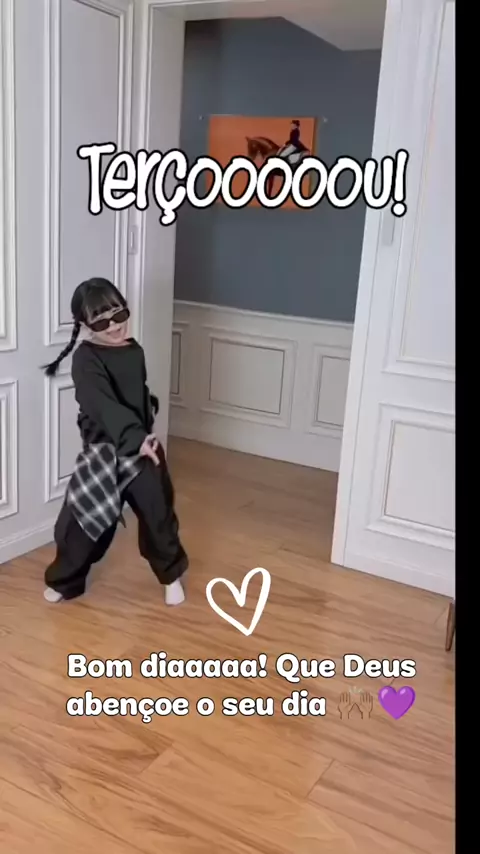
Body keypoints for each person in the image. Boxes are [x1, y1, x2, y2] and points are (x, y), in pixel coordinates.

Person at [42, 277, 188, 606]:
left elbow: (135, 395)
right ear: (85, 324)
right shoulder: (86, 358)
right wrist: (132, 436)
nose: (114, 326)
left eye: (119, 315)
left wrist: (146, 424)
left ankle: (170, 576)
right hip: (103, 452)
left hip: (142, 451)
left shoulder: (134, 351)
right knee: (81, 520)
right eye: (102, 322)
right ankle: (66, 580)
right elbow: (101, 403)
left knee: (158, 512)